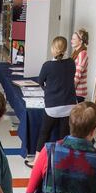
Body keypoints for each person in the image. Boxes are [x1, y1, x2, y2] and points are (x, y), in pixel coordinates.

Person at [25, 37, 76, 168]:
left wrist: (48, 89)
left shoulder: (47, 66)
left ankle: (36, 161)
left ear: (53, 49)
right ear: (65, 49)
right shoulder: (71, 63)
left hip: (53, 106)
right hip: (70, 105)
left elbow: (40, 81)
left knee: (44, 133)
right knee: (64, 134)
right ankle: (62, 161)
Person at [71, 29, 89, 102]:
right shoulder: (76, 53)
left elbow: (77, 75)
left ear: (81, 41)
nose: (71, 41)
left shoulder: (82, 53)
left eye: (74, 39)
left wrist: (70, 91)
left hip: (78, 93)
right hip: (75, 92)